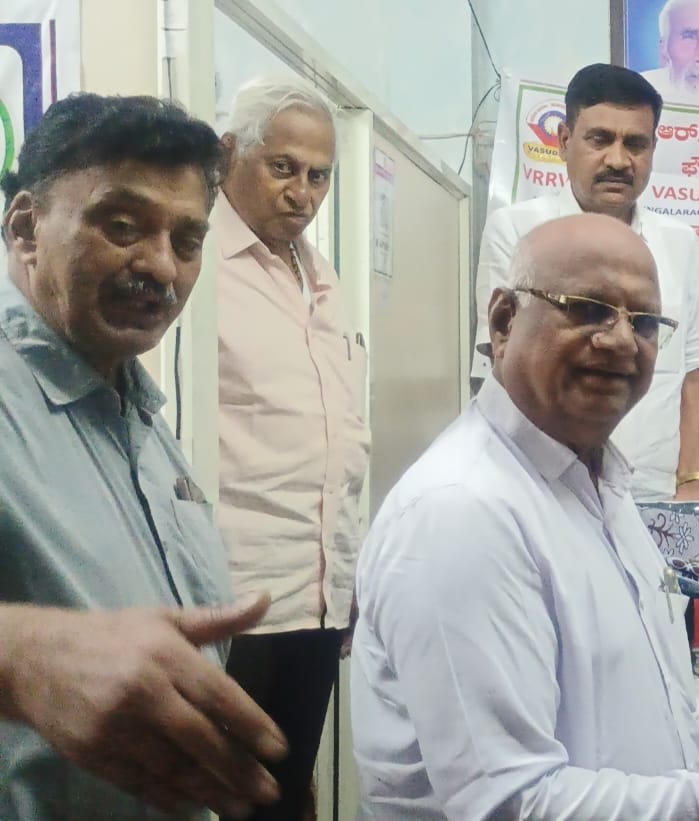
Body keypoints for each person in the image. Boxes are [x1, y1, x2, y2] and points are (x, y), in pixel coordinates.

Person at [352, 212, 699, 820]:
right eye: (586, 308)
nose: (618, 341)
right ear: (504, 321)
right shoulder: (460, 514)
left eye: (643, 322)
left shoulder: (601, 483)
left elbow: (658, 696)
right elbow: (512, 805)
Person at [0, 92, 288, 820]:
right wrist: (19, 655)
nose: (160, 266)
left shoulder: (137, 413)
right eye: (121, 226)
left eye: (187, 241)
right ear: (27, 228)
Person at [212, 77, 371, 821]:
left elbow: (342, 435)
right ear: (228, 154)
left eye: (319, 175)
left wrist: (347, 573)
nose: (302, 192)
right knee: (223, 799)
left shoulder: (323, 276)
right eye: (283, 167)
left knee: (284, 796)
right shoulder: (199, 263)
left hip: (316, 597)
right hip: (234, 596)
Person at [475, 63, 699, 502]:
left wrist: (693, 482)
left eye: (636, 144)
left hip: (652, 494)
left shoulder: (679, 244)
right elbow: (501, 365)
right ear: (565, 142)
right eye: (600, 139)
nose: (619, 161)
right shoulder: (516, 232)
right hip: (545, 489)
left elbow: (692, 374)